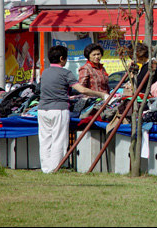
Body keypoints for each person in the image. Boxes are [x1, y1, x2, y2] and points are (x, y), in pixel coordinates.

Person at [37, 45, 109, 174]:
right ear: (61, 58)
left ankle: (46, 168)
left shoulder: (45, 72)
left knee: (45, 139)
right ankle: (54, 169)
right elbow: (81, 89)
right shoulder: (66, 73)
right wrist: (101, 94)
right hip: (59, 109)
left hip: (42, 110)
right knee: (59, 140)